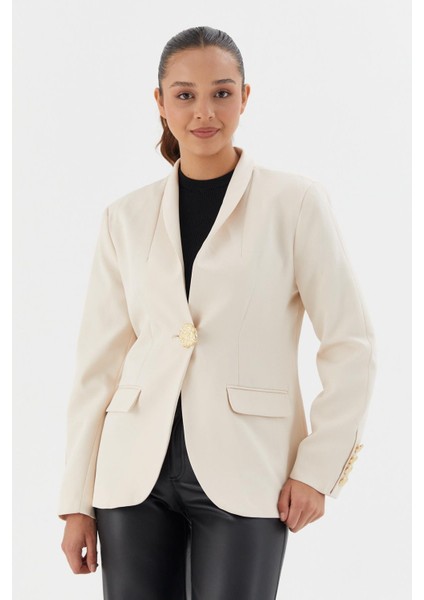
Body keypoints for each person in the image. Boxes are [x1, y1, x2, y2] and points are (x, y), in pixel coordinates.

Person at [59, 25, 376, 600]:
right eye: (184, 95)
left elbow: (350, 343)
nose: (204, 111)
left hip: (248, 471)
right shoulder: (124, 218)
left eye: (221, 93)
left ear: (245, 97)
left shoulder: (294, 203)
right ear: (160, 102)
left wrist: (318, 467)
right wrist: (76, 501)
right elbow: (97, 367)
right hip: (131, 476)